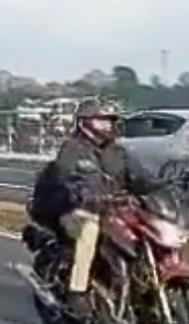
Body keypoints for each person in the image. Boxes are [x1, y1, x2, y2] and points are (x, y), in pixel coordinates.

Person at [29, 99, 157, 312]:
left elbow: (140, 178)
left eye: (110, 121)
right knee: (90, 230)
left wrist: (163, 184)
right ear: (84, 123)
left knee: (147, 228)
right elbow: (67, 176)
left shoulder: (117, 152)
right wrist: (83, 194)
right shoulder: (72, 149)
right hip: (73, 210)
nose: (108, 125)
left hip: (109, 210)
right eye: (102, 120)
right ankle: (77, 290)